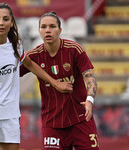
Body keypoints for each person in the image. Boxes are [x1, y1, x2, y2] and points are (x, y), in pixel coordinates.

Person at [0, 3, 72, 150]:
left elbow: (31, 65)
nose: (1, 23)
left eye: (5, 19)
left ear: (12, 22)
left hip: (10, 113)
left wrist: (56, 84)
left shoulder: (16, 44)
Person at [20, 12, 99, 150]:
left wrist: (90, 100)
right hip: (52, 123)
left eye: (52, 26)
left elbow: (90, 77)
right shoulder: (33, 56)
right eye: (43, 27)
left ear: (60, 30)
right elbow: (8, 73)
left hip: (80, 118)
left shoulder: (74, 49)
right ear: (39, 31)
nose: (48, 30)